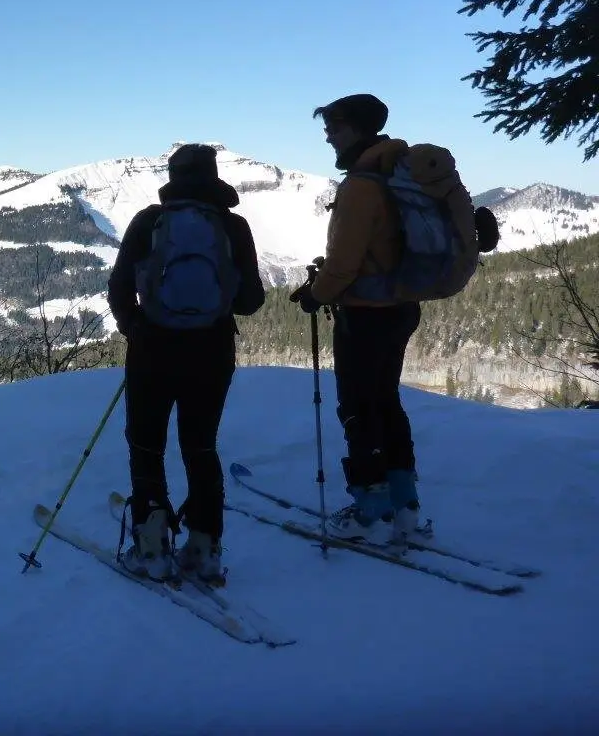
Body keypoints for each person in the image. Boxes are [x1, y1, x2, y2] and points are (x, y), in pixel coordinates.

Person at [107, 144, 266, 584]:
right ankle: (204, 548)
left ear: (172, 176)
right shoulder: (234, 227)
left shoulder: (147, 221)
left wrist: (134, 326)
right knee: (200, 446)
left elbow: (119, 286)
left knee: (146, 444)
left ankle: (152, 547)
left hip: (152, 349)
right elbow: (252, 301)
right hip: (211, 352)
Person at [289, 93, 425, 545]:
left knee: (357, 408)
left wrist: (315, 294)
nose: (329, 135)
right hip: (402, 307)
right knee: (386, 402)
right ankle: (404, 506)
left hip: (366, 313)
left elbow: (344, 264)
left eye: (335, 127)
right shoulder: (397, 172)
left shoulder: (361, 186)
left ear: (358, 128)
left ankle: (369, 508)